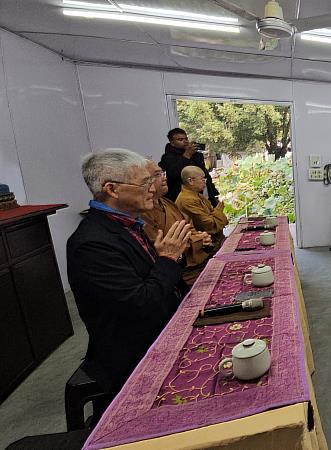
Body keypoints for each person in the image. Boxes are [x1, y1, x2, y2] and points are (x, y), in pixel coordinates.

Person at [67, 148, 191, 405]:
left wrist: (166, 258)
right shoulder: (92, 243)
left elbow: (150, 279)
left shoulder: (125, 224)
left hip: (162, 329)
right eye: (145, 182)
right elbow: (140, 303)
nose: (153, 189)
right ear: (112, 189)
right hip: (135, 353)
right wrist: (167, 259)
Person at [141, 160, 215, 286]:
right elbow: (161, 245)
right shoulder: (143, 212)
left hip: (196, 260)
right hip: (180, 271)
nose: (164, 178)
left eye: (163, 173)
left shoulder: (167, 203)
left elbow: (188, 226)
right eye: (157, 175)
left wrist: (201, 237)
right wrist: (198, 240)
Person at [159, 128, 219, 206]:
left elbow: (204, 174)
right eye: (180, 139)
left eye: (186, 138)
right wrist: (187, 155)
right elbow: (172, 174)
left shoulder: (196, 155)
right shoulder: (167, 157)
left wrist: (213, 192)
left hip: (203, 194)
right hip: (182, 198)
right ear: (172, 143)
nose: (185, 141)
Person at [175, 166, 229, 244]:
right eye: (202, 179)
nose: (205, 181)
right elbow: (209, 225)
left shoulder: (197, 195)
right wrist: (219, 210)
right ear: (190, 181)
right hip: (206, 243)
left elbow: (217, 219)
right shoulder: (187, 200)